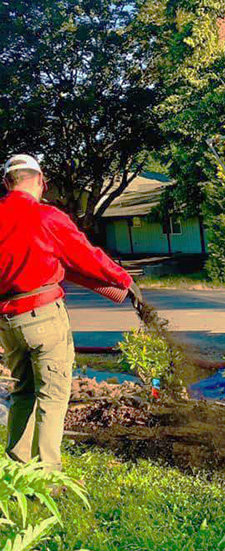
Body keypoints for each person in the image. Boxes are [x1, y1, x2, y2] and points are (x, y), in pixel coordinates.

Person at [0, 154, 143, 471]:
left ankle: (16, 470)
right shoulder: (45, 216)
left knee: (23, 392)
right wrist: (124, 280)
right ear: (39, 182)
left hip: (8, 320)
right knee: (52, 395)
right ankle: (48, 476)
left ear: (7, 183)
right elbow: (86, 256)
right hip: (42, 316)